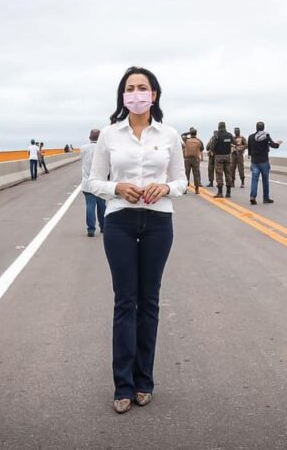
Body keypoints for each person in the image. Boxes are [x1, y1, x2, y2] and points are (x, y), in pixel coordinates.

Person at [87, 66, 186, 414]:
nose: (137, 93)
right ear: (123, 95)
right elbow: (93, 182)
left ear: (154, 94)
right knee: (125, 301)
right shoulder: (110, 136)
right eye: (130, 88)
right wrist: (117, 187)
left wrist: (165, 188)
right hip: (120, 222)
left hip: (159, 221)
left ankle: (145, 380)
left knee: (150, 302)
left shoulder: (170, 135)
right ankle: (123, 385)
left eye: (143, 87)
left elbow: (181, 182)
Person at [247, 121, 283, 205]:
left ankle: (253, 196)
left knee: (254, 180)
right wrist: (278, 144)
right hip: (264, 161)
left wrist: (250, 156)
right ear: (263, 127)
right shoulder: (266, 136)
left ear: (256, 127)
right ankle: (266, 198)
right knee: (265, 180)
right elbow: (273, 145)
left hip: (254, 161)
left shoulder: (251, 137)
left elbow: (249, 148)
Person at [80, 129, 106, 237]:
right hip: (100, 182)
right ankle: (103, 227)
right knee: (102, 206)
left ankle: (91, 229)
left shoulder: (83, 149)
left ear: (90, 137)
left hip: (87, 182)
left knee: (90, 206)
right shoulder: (103, 148)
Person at [212, 122, 234, 198]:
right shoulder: (229, 135)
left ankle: (220, 192)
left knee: (219, 174)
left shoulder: (216, 135)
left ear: (219, 127)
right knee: (228, 173)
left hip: (219, 156)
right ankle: (228, 192)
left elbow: (212, 146)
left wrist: (214, 151)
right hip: (228, 156)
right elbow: (233, 143)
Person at [182, 128, 204, 194]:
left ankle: (185, 189)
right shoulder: (199, 141)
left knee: (186, 174)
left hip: (187, 159)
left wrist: (188, 133)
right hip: (196, 160)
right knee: (196, 174)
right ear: (196, 133)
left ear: (190, 133)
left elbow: (182, 135)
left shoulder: (186, 140)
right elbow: (202, 148)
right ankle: (197, 190)